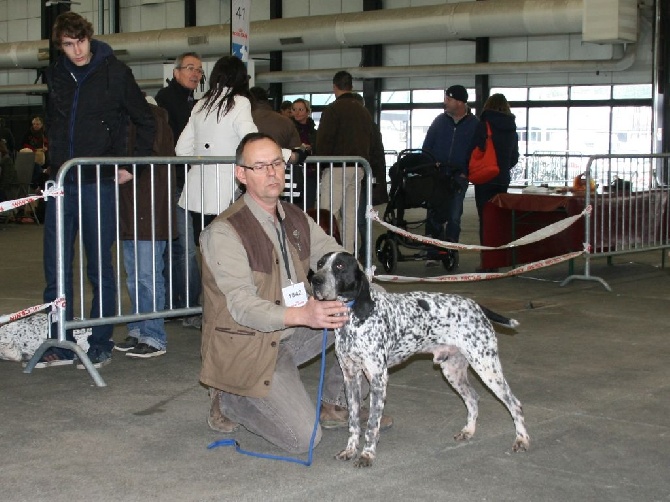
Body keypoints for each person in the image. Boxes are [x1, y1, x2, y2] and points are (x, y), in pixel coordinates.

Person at [199, 132, 391, 453]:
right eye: (260, 166)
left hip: (293, 331)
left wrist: (369, 285)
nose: (272, 172)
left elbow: (336, 255)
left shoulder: (296, 218)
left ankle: (336, 402)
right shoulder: (224, 232)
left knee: (371, 310)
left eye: (277, 163)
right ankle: (229, 396)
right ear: (241, 174)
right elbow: (243, 307)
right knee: (303, 439)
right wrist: (304, 314)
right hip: (250, 345)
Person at [40, 12, 155, 368]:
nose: (76, 50)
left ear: (90, 37)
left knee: (99, 268)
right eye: (68, 44)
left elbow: (145, 120)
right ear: (60, 45)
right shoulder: (55, 75)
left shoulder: (115, 73)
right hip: (61, 183)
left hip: (98, 184)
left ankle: (100, 342)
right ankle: (59, 341)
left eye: (81, 41)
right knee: (56, 268)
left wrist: (129, 166)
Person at [176, 55, 257, 246]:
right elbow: (253, 141)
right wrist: (287, 155)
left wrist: (203, 162)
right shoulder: (240, 102)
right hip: (226, 192)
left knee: (206, 248)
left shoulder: (200, 104)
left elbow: (181, 149)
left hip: (198, 192)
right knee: (229, 248)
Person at [115, 98, 175, 358]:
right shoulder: (136, 119)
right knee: (136, 276)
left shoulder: (153, 120)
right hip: (133, 210)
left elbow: (152, 157)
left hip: (148, 210)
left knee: (147, 276)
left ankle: (153, 335)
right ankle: (140, 329)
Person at [155, 51, 203, 328]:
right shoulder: (166, 101)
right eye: (189, 68)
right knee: (183, 247)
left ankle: (178, 304)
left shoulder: (191, 102)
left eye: (198, 70)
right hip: (174, 183)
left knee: (178, 247)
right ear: (176, 72)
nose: (195, 74)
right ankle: (189, 306)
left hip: (185, 182)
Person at [316, 70, 379, 254]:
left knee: (328, 212)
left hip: (337, 166)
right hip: (359, 166)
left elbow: (324, 140)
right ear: (351, 87)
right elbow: (372, 140)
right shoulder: (363, 111)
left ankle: (327, 253)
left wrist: (320, 164)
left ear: (334, 87)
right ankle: (349, 254)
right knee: (351, 214)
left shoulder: (333, 110)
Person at [421, 84, 478, 265]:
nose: (445, 102)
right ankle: (432, 252)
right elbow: (427, 146)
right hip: (437, 176)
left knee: (454, 214)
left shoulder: (474, 125)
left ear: (460, 102)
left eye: (449, 99)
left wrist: (466, 173)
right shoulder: (439, 121)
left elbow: (478, 152)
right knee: (433, 212)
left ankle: (451, 252)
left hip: (458, 177)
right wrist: (430, 165)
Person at [474, 93, 519, 244]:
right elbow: (514, 157)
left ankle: (487, 258)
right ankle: (499, 255)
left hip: (484, 178)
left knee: (485, 219)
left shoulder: (482, 125)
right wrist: (502, 167)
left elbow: (474, 150)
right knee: (499, 218)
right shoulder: (512, 130)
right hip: (502, 179)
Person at [291, 98, 318, 209]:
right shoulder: (289, 128)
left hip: (310, 173)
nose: (297, 112)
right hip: (293, 172)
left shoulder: (314, 132)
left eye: (301, 109)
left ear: (308, 111)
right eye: (294, 109)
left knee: (308, 206)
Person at [20, 115, 49, 189]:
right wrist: (33, 150)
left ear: (41, 124)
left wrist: (46, 147)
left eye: (37, 124)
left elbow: (50, 143)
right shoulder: (28, 133)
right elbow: (23, 144)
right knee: (36, 170)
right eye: (34, 124)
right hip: (30, 156)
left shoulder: (45, 133)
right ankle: (34, 186)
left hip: (44, 156)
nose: (35, 126)